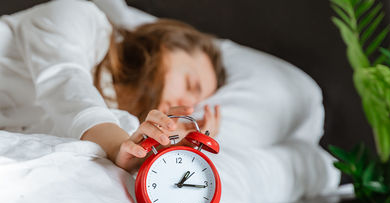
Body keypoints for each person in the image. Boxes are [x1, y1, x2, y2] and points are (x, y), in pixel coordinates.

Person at [0, 0, 226, 172]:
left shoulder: (118, 115)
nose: (186, 104)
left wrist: (169, 142)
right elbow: (65, 83)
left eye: (195, 103)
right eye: (189, 84)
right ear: (164, 43)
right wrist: (119, 145)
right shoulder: (77, 17)